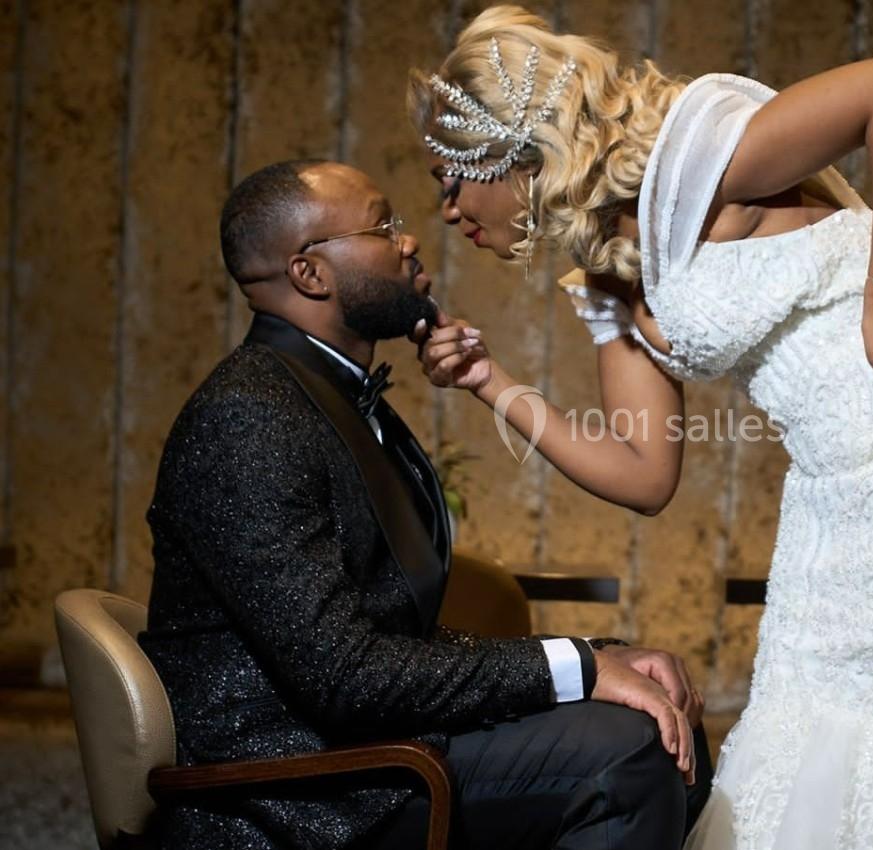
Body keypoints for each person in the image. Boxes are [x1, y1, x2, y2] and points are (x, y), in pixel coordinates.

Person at [406, 6, 873, 849]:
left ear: (513, 151)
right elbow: (644, 474)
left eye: (448, 180)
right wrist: (491, 383)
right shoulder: (608, 275)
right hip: (842, 470)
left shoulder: (695, 156)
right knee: (816, 714)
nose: (449, 213)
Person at [139, 158, 712, 850]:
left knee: (667, 723)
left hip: (361, 755)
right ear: (309, 273)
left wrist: (594, 657)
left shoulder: (321, 396)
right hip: (300, 796)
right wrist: (580, 671)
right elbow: (345, 675)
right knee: (629, 757)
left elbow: (386, 643)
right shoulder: (249, 416)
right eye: (385, 225)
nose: (409, 240)